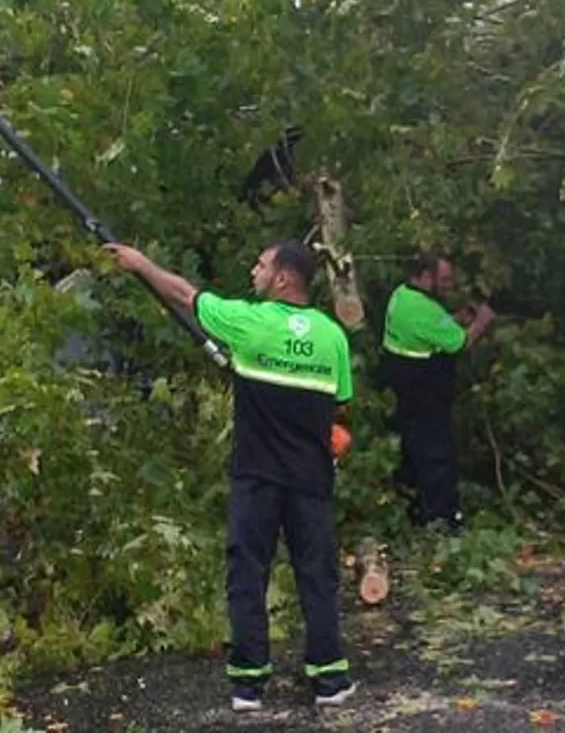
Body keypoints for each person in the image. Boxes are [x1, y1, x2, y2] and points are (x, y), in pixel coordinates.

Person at [104, 238, 357, 712]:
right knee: (317, 576)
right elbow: (340, 406)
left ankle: (248, 684)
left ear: (283, 278)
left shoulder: (249, 323)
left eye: (260, 266)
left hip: (257, 477)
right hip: (311, 480)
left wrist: (141, 264)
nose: (253, 271)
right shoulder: (332, 336)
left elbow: (184, 295)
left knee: (248, 573)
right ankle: (330, 678)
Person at [378, 253, 495, 534]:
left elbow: (427, 328)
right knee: (436, 455)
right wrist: (480, 321)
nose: (449, 285)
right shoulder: (425, 310)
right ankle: (444, 518)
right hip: (425, 393)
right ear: (425, 277)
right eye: (443, 279)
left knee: (412, 453)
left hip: (402, 389)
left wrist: (453, 318)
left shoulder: (402, 296)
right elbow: (459, 343)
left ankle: (415, 513)